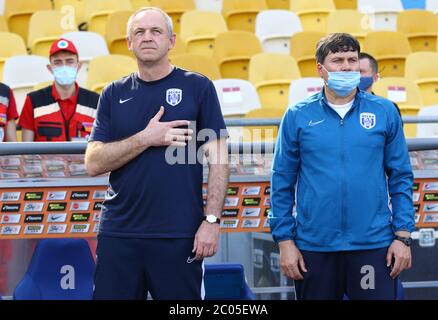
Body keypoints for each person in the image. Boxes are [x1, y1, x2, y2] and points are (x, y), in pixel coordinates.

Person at [85, 7, 229, 300]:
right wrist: (146, 138)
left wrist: (212, 222)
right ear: (128, 42)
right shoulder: (113, 93)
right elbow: (93, 162)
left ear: (172, 41)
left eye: (156, 31)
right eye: (139, 32)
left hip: (179, 235)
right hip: (119, 234)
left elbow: (220, 160)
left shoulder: (198, 87)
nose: (147, 38)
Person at [269, 33, 415, 300]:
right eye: (337, 60)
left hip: (373, 244)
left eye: (352, 59)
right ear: (320, 69)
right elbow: (281, 182)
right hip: (315, 245)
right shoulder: (297, 115)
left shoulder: (384, 111)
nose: (347, 66)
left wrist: (403, 237)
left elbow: (401, 177)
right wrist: (285, 242)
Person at [18, 38, 99, 142]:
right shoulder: (34, 101)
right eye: (58, 62)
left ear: (78, 66)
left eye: (69, 61)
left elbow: (102, 145)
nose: (64, 67)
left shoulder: (96, 101)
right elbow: (26, 151)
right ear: (50, 68)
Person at [359, 52, 402, 118]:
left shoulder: (388, 108)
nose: (355, 75)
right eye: (352, 71)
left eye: (360, 71)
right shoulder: (340, 107)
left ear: (375, 77)